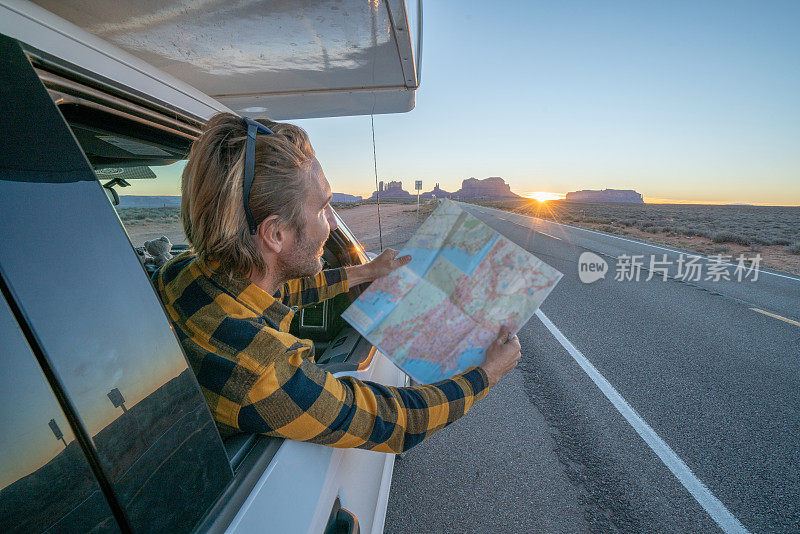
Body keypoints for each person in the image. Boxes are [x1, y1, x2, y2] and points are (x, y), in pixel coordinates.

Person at [153, 113, 521, 453]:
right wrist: (486, 374)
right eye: (322, 208)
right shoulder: (263, 371)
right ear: (276, 234)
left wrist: (366, 272)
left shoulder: (184, 272)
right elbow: (389, 421)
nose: (331, 223)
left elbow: (278, 289)